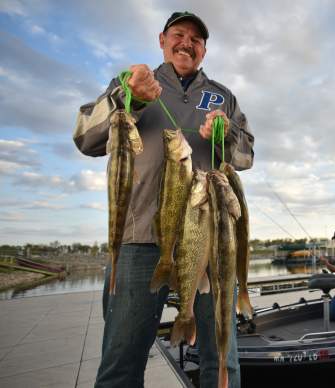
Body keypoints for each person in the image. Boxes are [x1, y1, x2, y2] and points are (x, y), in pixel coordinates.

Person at [73, 11, 254, 388]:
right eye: (179, 34)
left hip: (210, 241)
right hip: (138, 241)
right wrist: (129, 99)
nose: (187, 42)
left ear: (204, 49)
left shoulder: (223, 96)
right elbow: (85, 137)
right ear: (161, 39)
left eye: (196, 39)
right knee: (121, 362)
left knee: (223, 362)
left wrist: (228, 135)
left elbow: (246, 157)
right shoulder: (134, 82)